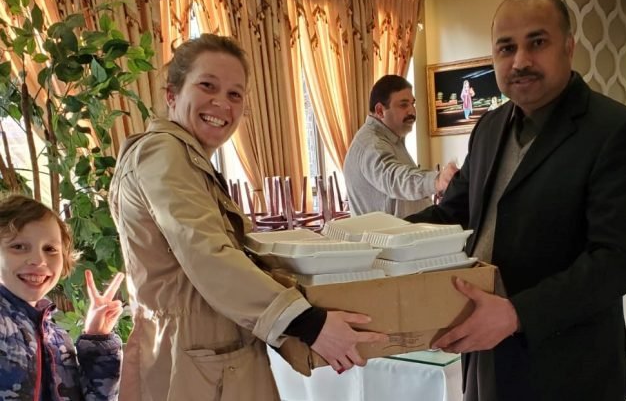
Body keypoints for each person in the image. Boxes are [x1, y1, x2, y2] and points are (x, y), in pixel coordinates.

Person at [408, 0, 626, 401]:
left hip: (570, 362)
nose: (520, 60)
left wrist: (516, 314)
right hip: (486, 351)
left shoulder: (619, 131)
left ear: (568, 47)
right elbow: (453, 215)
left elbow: (617, 261)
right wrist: (374, 238)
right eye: (506, 48)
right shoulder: (489, 128)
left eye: (536, 43)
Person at [109, 35, 386, 401]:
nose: (222, 103)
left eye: (235, 94)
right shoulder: (163, 153)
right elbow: (206, 253)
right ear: (172, 94)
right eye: (208, 86)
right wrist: (309, 322)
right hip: (194, 363)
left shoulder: (185, 157)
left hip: (206, 354)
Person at [0, 194, 123, 401]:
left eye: (50, 249)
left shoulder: (58, 338)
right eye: (19, 246)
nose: (38, 260)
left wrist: (97, 340)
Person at [343, 75, 458, 218]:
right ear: (380, 110)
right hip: (384, 240)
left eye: (412, 104)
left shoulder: (391, 139)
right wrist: (437, 181)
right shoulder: (372, 144)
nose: (412, 111)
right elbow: (394, 179)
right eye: (403, 105)